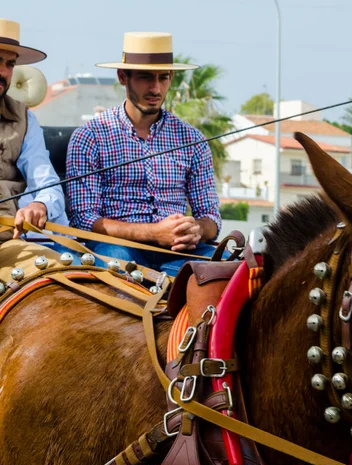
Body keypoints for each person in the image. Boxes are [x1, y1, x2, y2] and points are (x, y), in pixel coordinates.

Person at [66, 32, 221, 276]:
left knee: (230, 275)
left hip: (180, 251)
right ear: (122, 77)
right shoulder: (90, 136)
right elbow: (84, 219)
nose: (155, 88)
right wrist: (153, 232)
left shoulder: (193, 140)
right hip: (117, 249)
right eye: (145, 77)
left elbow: (212, 217)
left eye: (163, 77)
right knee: (116, 271)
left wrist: (196, 229)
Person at [0, 18, 68, 241]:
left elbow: (47, 184)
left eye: (10, 64)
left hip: (10, 240)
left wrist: (40, 204)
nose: (4, 72)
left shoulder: (24, 118)